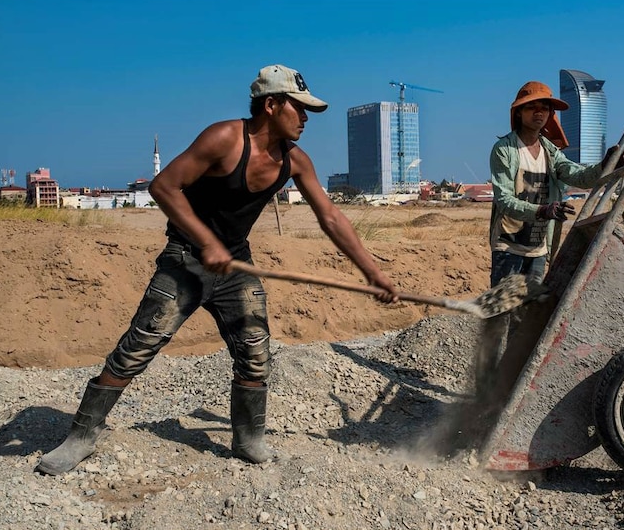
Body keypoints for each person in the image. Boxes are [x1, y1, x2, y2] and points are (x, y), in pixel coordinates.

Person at [37, 64, 399, 475]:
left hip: (236, 264)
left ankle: (247, 439)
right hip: (186, 259)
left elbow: (331, 217)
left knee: (255, 353)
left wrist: (373, 273)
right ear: (271, 104)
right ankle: (81, 436)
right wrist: (206, 243)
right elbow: (164, 187)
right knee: (138, 348)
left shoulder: (295, 161)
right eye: (298, 109)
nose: (305, 119)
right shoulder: (225, 138)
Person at [488, 81, 624, 287]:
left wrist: (608, 164)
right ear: (519, 112)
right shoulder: (505, 150)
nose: (539, 113)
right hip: (509, 245)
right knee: (502, 311)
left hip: (539, 247)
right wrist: (543, 210)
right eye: (532, 107)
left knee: (530, 312)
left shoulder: (550, 152)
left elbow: (579, 177)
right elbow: (504, 200)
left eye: (545, 108)